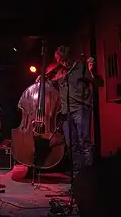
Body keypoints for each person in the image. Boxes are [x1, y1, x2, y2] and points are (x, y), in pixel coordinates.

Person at [35, 46, 101, 177]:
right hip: (66, 112)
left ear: (68, 57)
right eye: (60, 60)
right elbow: (49, 83)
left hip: (81, 108)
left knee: (84, 141)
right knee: (72, 144)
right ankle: (77, 176)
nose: (62, 62)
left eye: (63, 59)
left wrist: (92, 71)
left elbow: (98, 83)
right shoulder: (60, 72)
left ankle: (88, 175)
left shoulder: (80, 67)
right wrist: (41, 78)